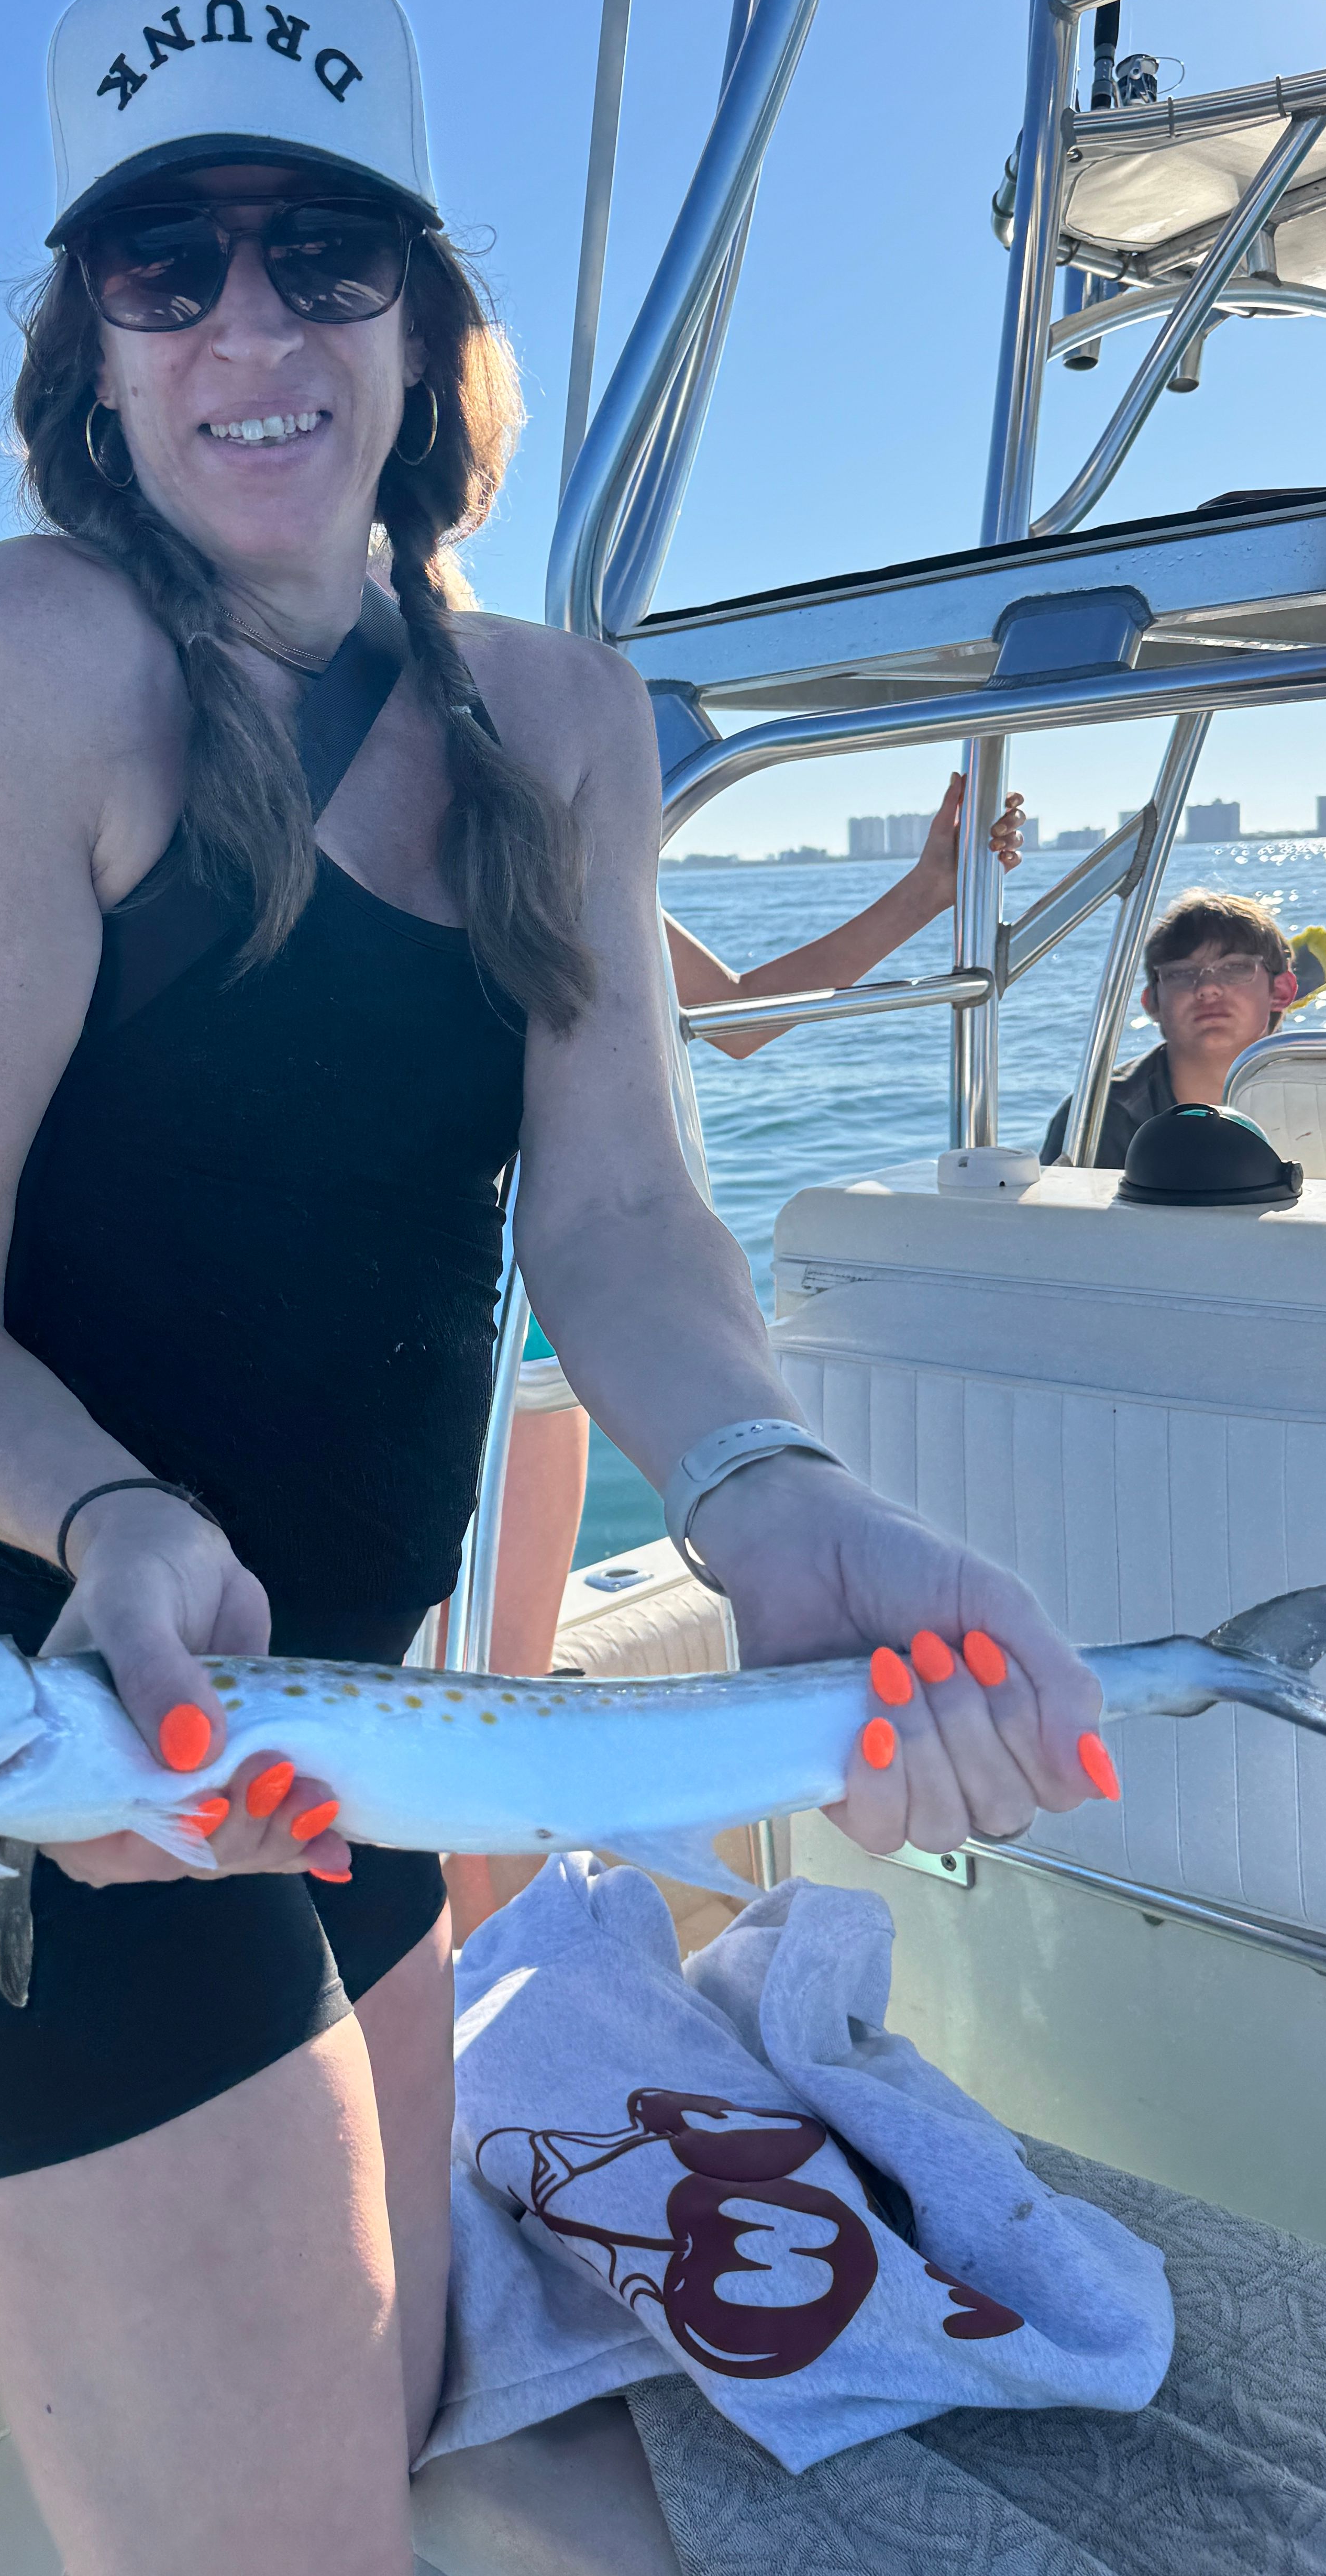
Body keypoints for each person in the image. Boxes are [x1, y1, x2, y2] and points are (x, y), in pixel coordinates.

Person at [0, 0, 1106, 2576]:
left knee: (402, 2418)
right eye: (169, 265)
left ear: (425, 318)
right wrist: (117, 1525)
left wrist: (762, 1483)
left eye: (326, 252)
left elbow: (620, 1213)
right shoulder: (8, 663)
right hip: (88, 1762)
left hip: (389, 1741)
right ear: (89, 348)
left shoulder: (566, 719)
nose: (250, 325)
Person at [450, 782, 1028, 1940]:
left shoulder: (532, 830)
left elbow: (748, 1015)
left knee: (493, 1728)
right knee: (436, 1729)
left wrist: (925, 892)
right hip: (374, 1338)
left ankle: (491, 2045)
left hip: (538, 1337)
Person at [1040, 888, 1298, 1169]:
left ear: (1282, 991)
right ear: (1152, 1003)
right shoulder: (1095, 1119)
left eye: (1235, 968)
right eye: (1181, 973)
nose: (1208, 989)